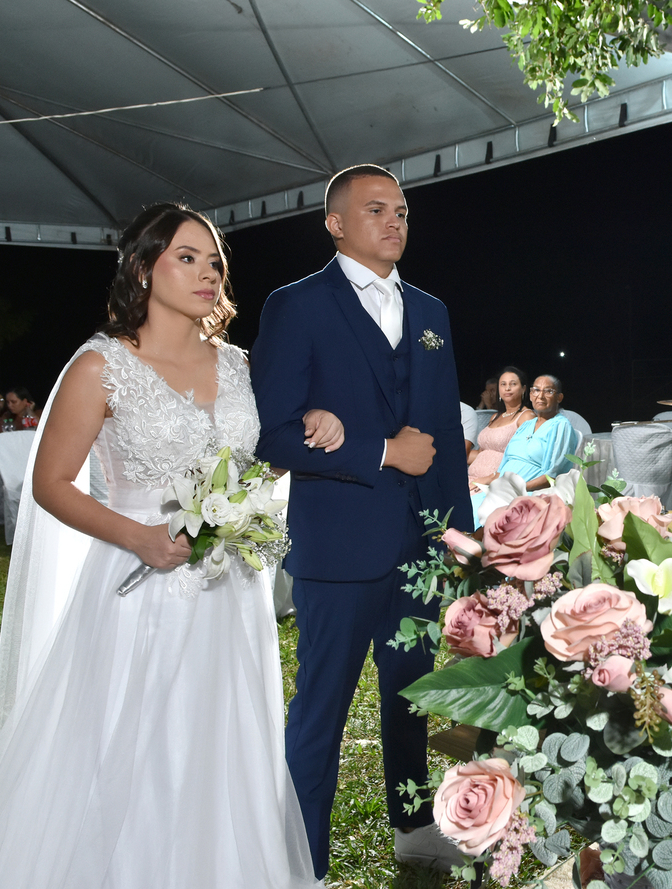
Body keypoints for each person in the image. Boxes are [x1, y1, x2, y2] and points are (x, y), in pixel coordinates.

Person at [0, 203, 319, 887]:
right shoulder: (101, 367)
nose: (205, 272)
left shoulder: (244, 365)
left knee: (222, 743)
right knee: (132, 741)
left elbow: (255, 461)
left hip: (230, 591)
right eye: (186, 257)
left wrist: (306, 434)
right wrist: (141, 537)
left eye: (213, 260)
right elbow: (50, 482)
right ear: (142, 267)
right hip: (137, 583)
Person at [251, 163, 473, 878]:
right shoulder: (297, 305)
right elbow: (273, 435)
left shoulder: (433, 312)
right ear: (336, 223)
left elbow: (443, 436)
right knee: (322, 710)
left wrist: (458, 539)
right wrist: (380, 451)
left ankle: (412, 825)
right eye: (377, 209)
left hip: (420, 548)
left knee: (411, 696)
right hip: (339, 549)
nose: (395, 221)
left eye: (403, 211)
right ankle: (301, 858)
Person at [470, 374, 576, 522]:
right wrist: (485, 481)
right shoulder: (526, 425)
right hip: (502, 489)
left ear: (559, 398)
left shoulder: (560, 425)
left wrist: (519, 487)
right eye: (536, 390)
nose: (541, 396)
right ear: (531, 395)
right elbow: (503, 466)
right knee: (465, 506)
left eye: (548, 391)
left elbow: (553, 475)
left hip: (528, 493)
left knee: (482, 516)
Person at [467, 366, 535, 481]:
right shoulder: (495, 417)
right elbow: (481, 453)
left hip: (496, 483)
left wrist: (490, 478)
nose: (507, 388)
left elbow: (523, 459)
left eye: (513, 384)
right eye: (503, 384)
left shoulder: (526, 416)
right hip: (473, 479)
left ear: (523, 389)